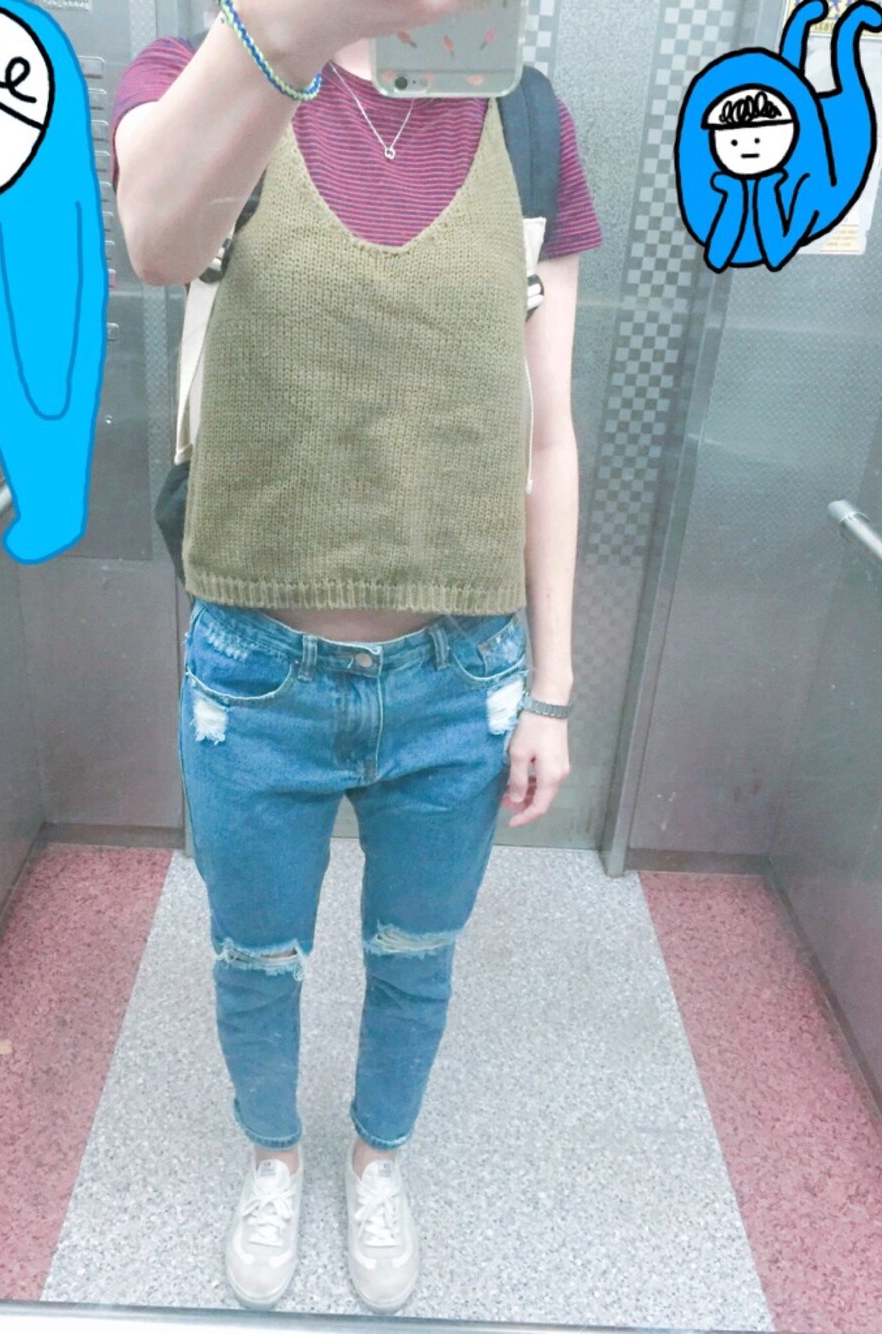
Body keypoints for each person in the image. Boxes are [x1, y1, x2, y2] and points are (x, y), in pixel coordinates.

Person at [112, 0, 601, 1312]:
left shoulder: (527, 120)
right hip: (255, 671)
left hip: (461, 675)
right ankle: (275, 1155)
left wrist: (553, 691)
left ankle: (377, 1158)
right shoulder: (210, 67)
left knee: (416, 956)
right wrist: (287, 34)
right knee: (253, 956)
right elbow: (156, 239)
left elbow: (549, 434)